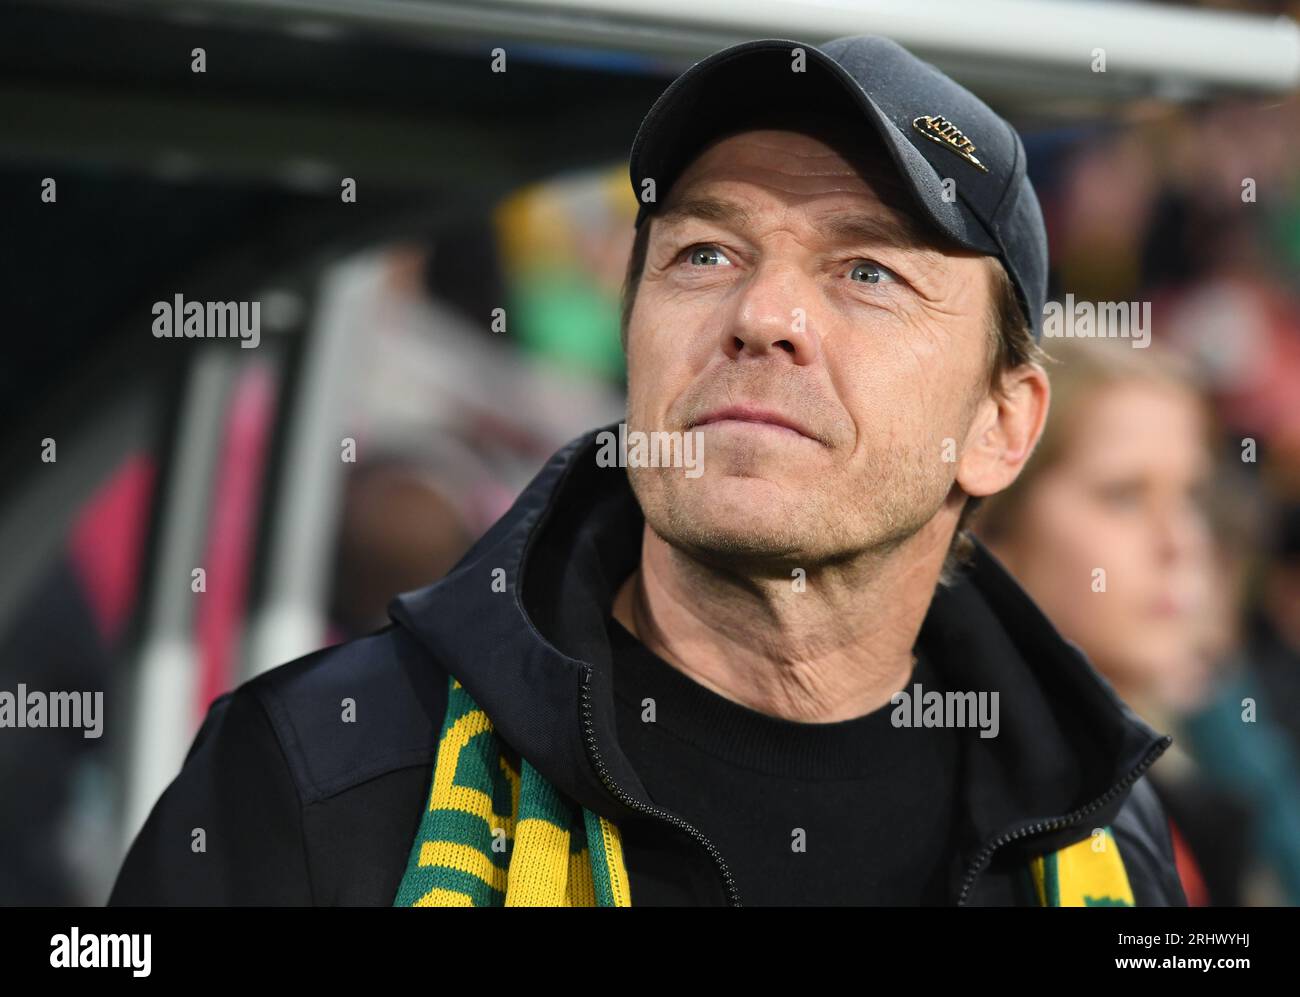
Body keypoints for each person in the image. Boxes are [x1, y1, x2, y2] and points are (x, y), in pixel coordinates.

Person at [108, 34, 1185, 907]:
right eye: (703, 254)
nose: (762, 316)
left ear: (1002, 425)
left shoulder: (1102, 834)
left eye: (865, 270)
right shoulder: (321, 772)